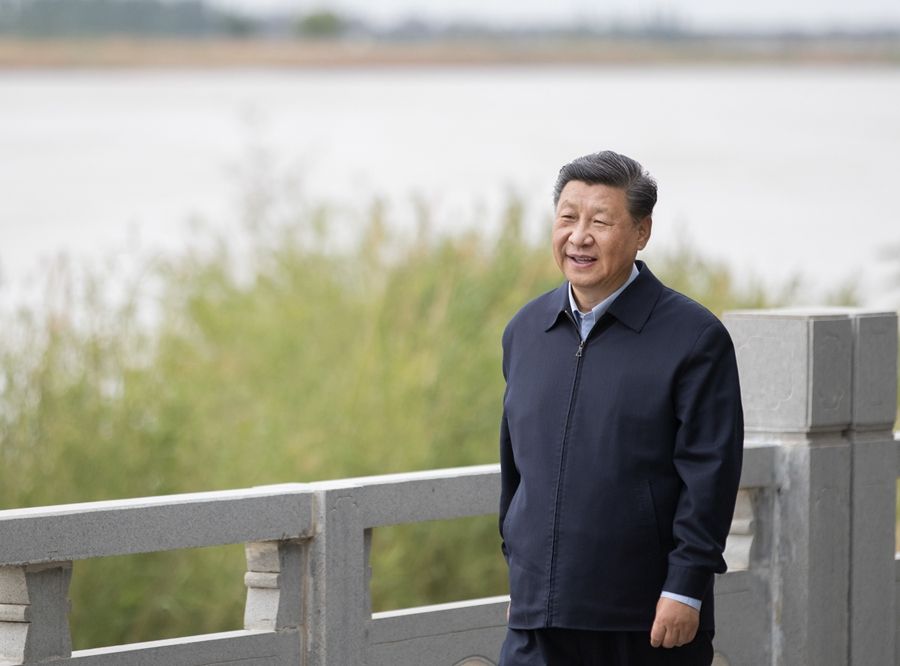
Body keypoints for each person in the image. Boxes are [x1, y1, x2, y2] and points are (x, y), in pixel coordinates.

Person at [497, 151, 743, 666]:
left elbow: (710, 475)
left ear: (641, 232)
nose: (579, 237)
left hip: (645, 620)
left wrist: (685, 587)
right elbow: (516, 470)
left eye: (600, 222)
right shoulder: (526, 330)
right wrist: (520, 572)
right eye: (568, 217)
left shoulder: (694, 338)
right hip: (538, 618)